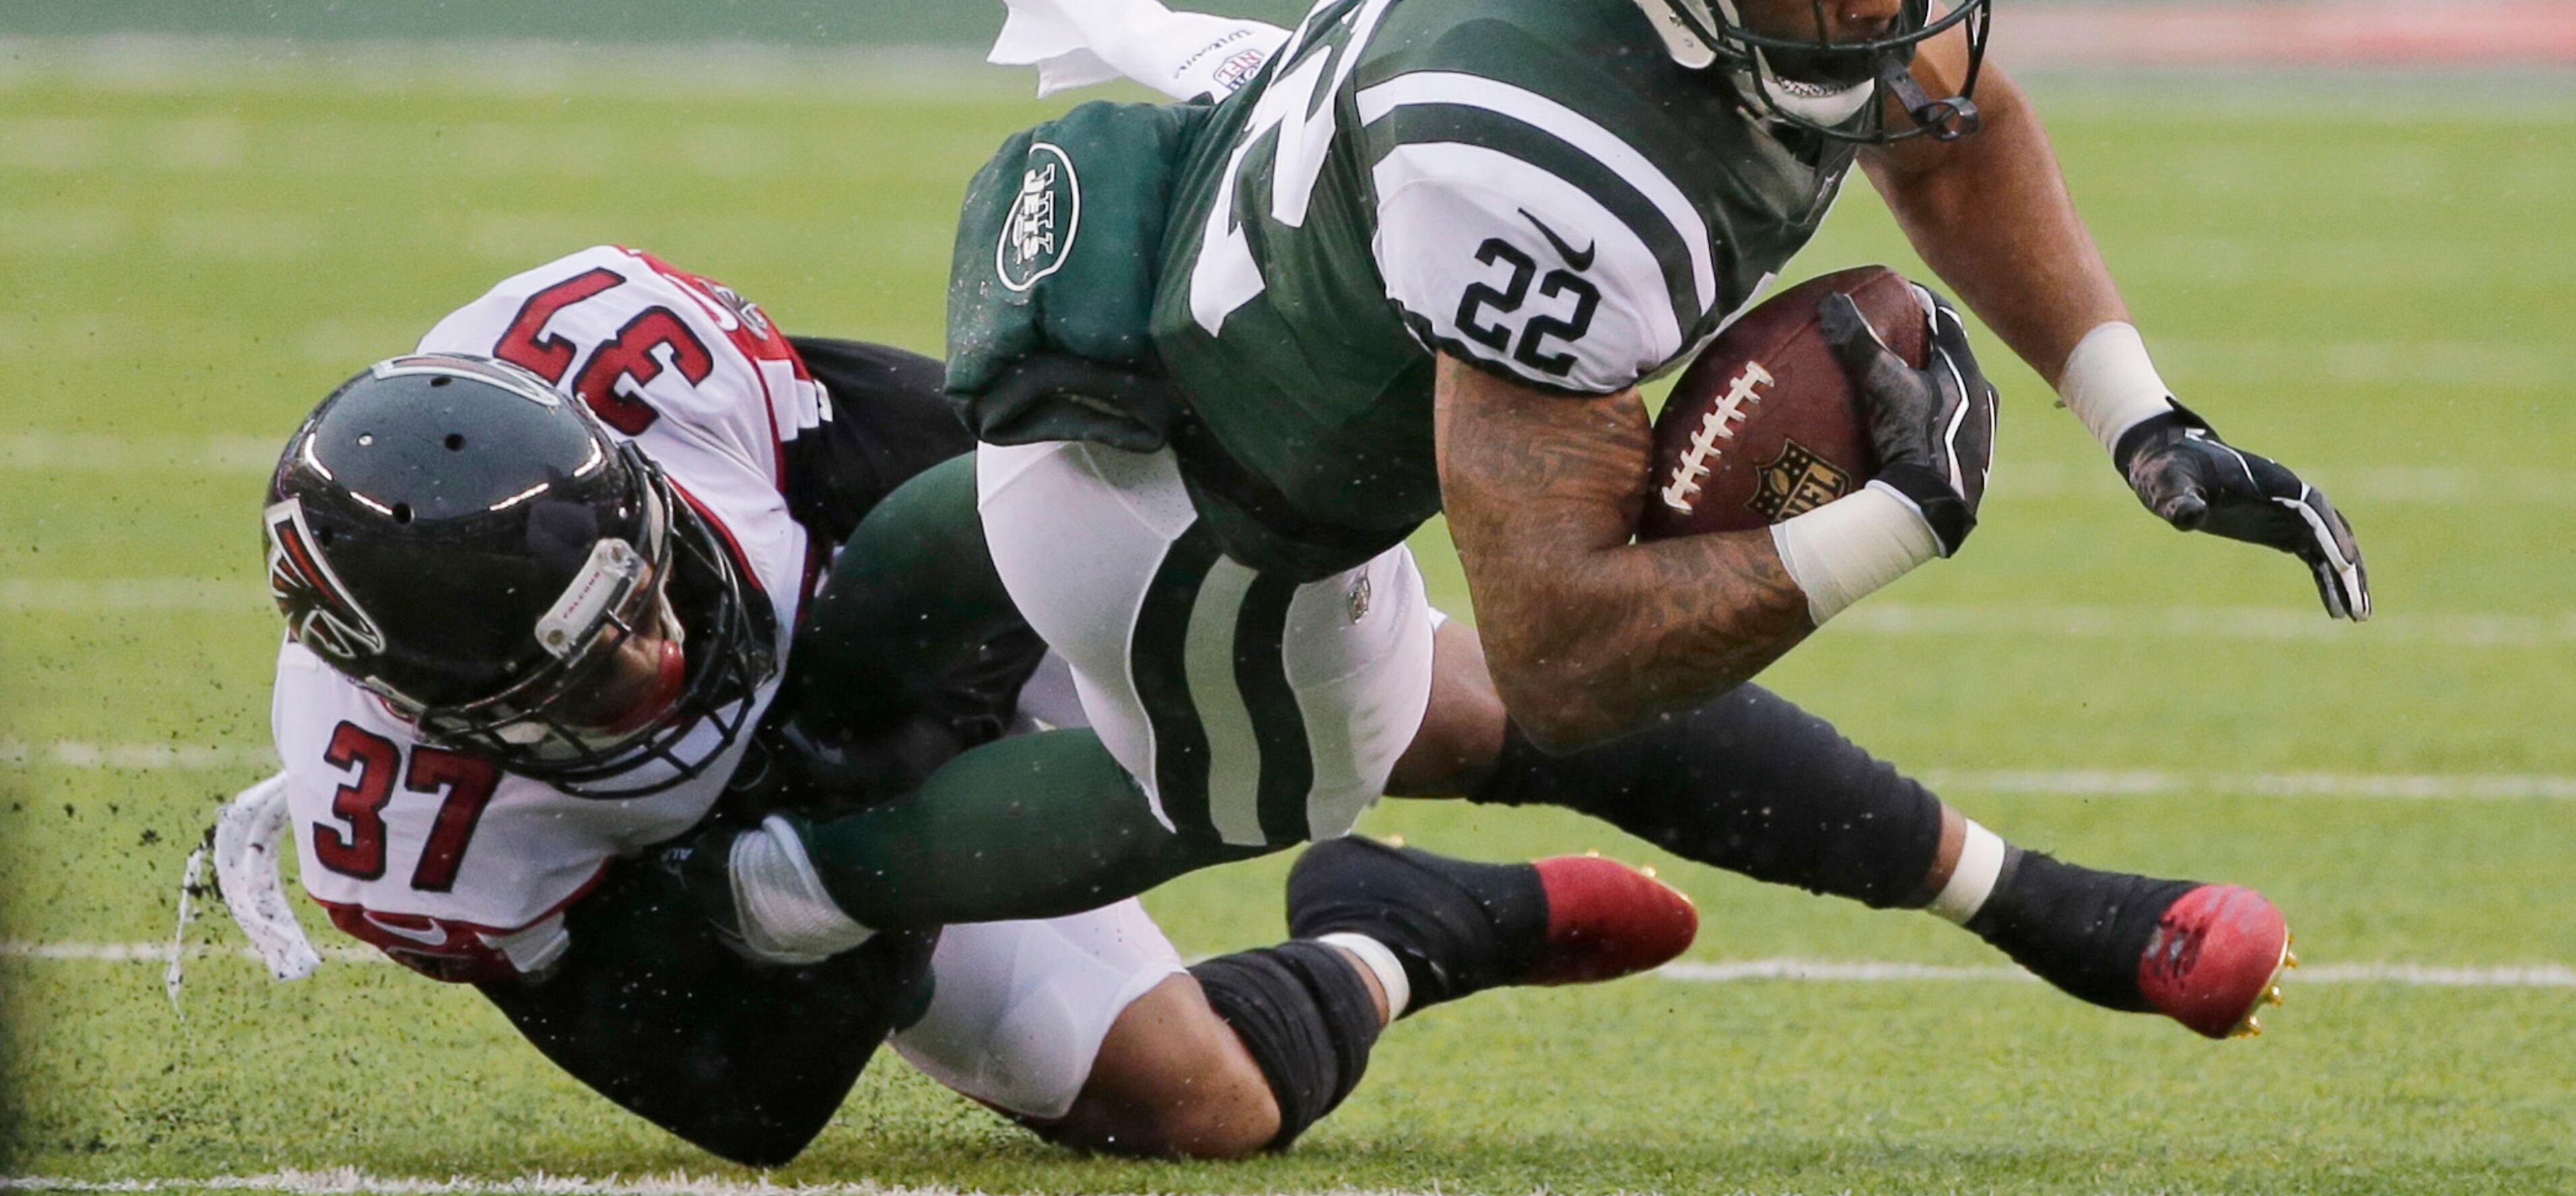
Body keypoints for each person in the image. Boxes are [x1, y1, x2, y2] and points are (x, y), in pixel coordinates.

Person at [671, 0, 2357, 1044]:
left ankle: (819, 676)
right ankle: (782, 892)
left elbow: (1948, 124)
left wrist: (2138, 413)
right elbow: (1559, 656)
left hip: (1206, 272)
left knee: (1005, 534)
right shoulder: (1546, 175)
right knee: (1258, 783)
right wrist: (1895, 522)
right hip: (1201, 514)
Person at [214, 244, 1702, 1167]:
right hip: (774, 858)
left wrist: (927, 682)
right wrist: (859, 848)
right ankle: (1404, 932)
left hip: (889, 607)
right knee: (1199, 1103)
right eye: (588, 671)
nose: (657, 657)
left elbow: (968, 460)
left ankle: (1849, 828)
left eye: (648, 592)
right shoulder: (410, 835)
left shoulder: (630, 364)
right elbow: (744, 1089)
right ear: (444, 711)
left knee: (1447, 705)